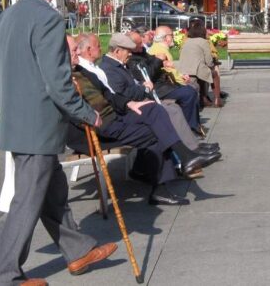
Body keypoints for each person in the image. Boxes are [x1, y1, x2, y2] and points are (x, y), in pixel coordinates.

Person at [0, 0, 117, 286]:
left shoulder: (6, 17)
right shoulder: (48, 19)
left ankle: (77, 251)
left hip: (20, 123)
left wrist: (9, 113)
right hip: (39, 127)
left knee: (53, 193)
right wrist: (87, 113)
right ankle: (5, 277)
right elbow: (57, 83)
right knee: (27, 202)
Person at [75, 33, 220, 203]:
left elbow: (111, 96)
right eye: (72, 50)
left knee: (155, 111)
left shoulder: (91, 69)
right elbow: (98, 103)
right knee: (157, 129)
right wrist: (133, 99)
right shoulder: (79, 74)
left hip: (116, 113)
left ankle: (184, 157)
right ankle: (164, 172)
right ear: (88, 50)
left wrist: (129, 103)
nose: (101, 48)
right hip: (103, 125)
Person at [178, 20, 220, 107]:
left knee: (204, 73)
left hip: (183, 70)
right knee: (214, 74)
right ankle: (217, 99)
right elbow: (209, 62)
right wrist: (212, 65)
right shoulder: (203, 42)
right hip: (196, 70)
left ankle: (203, 99)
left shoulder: (186, 41)